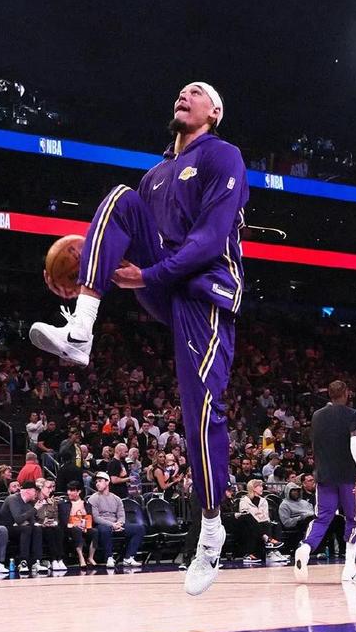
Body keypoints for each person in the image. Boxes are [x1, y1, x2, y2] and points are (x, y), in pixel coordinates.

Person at [30, 82, 248, 595]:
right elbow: (129, 238)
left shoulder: (223, 156)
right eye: (181, 91)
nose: (184, 93)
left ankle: (211, 528)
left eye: (197, 92)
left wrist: (148, 276)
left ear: (215, 111)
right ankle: (81, 329)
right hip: (164, 281)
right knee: (119, 198)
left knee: (199, 414)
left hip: (204, 291)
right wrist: (90, 260)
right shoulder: (155, 176)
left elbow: (209, 239)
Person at [294, 380, 356, 583]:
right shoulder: (353, 414)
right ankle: (349, 568)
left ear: (329, 395)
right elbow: (355, 442)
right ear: (346, 393)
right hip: (348, 475)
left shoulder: (317, 416)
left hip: (324, 474)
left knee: (322, 517)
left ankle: (305, 548)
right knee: (353, 519)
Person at [87, 471, 145, 567]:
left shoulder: (117, 499)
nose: (97, 484)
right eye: (96, 482)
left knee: (139, 528)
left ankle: (129, 557)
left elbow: (121, 515)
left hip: (117, 524)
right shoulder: (93, 499)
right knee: (104, 529)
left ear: (107, 482)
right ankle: (109, 557)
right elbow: (96, 518)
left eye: (100, 481)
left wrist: (119, 524)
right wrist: (112, 525)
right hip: (103, 525)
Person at [0, 480, 47, 574]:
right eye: (34, 491)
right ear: (28, 491)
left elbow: (31, 521)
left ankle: (36, 561)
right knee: (26, 529)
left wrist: (41, 523)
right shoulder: (13, 499)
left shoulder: (30, 503)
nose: (36, 494)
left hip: (21, 527)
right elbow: (18, 519)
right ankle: (23, 562)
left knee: (37, 529)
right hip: (7, 528)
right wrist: (35, 509)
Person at [237, 479, 286, 563]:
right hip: (249, 525)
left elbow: (266, 516)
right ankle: (268, 543)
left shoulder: (264, 501)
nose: (262, 488)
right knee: (256, 523)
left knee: (274, 524)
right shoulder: (244, 501)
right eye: (259, 486)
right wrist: (258, 517)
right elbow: (245, 515)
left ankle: (273, 551)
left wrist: (260, 518)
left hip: (262, 523)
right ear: (253, 488)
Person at [59, 481, 97, 567]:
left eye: (72, 490)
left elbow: (90, 518)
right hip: (70, 528)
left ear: (79, 491)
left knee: (95, 532)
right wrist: (76, 524)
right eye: (68, 490)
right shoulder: (63, 504)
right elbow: (64, 521)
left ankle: (91, 557)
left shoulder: (86, 504)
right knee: (76, 530)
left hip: (84, 526)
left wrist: (84, 522)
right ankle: (81, 557)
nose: (69, 492)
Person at [34, 478, 67, 571]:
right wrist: (42, 523)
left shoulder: (52, 502)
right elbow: (32, 518)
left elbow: (56, 516)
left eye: (52, 487)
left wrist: (54, 522)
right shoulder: (33, 501)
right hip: (39, 528)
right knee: (49, 531)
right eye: (48, 487)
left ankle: (60, 559)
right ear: (41, 488)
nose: (51, 490)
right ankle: (54, 559)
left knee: (58, 529)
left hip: (51, 526)